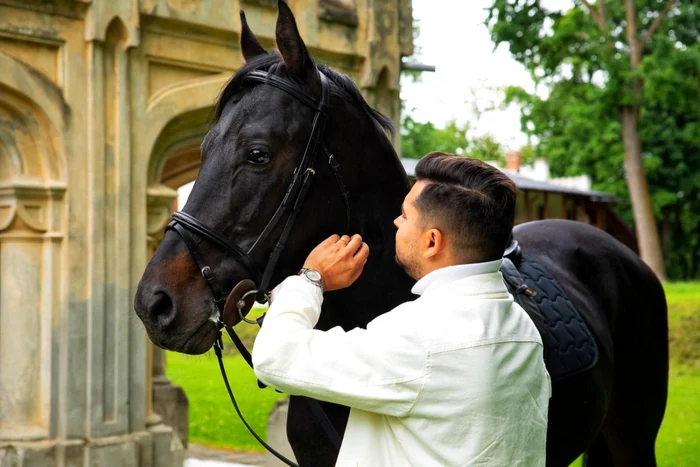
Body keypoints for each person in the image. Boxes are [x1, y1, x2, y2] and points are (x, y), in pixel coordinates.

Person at [252, 152, 551, 466]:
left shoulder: (421, 337)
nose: (396, 221)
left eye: (405, 216)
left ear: (431, 242)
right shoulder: (521, 326)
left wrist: (311, 278)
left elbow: (276, 357)